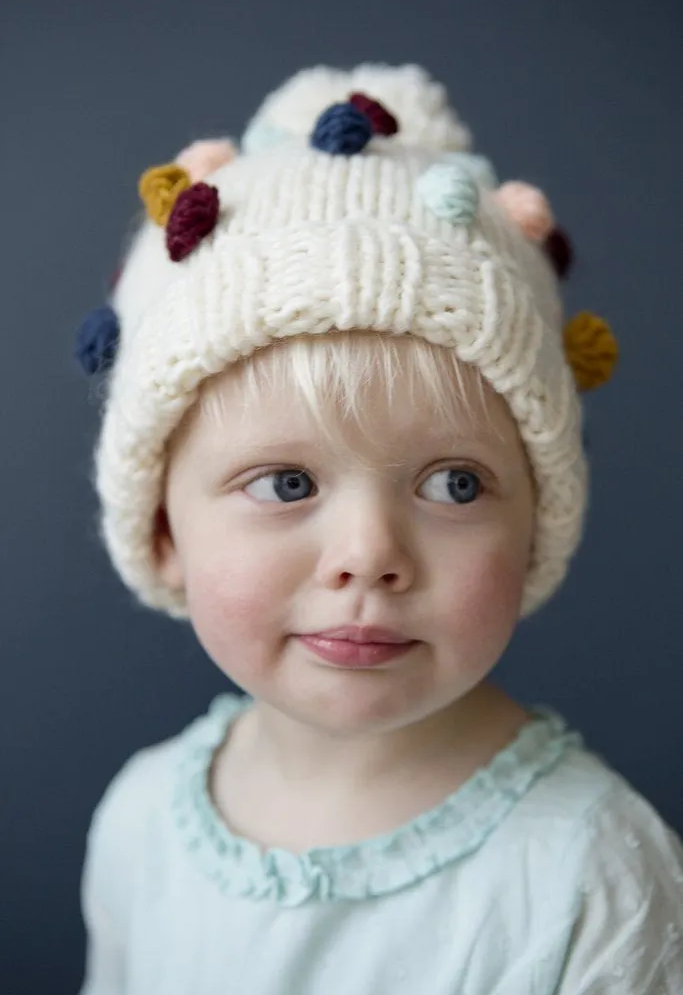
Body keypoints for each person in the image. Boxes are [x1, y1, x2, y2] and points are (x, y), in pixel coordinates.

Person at [74, 62, 683, 994]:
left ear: (534, 531)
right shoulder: (139, 821)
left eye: (452, 482)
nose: (369, 556)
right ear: (162, 530)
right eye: (283, 482)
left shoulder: (591, 878)